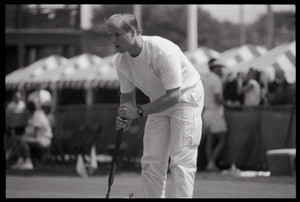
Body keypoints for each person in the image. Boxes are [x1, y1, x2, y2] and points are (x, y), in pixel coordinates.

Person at [106, 13, 204, 198]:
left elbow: (174, 96)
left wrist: (139, 111)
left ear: (133, 31)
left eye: (117, 34)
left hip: (186, 98)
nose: (113, 40)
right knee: (151, 161)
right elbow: (127, 97)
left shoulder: (162, 50)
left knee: (181, 161)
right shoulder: (120, 61)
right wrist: (126, 118)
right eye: (110, 35)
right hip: (158, 102)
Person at [9, 101, 53, 170]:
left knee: (23, 141)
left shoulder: (38, 115)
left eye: (25, 109)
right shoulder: (31, 116)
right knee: (16, 139)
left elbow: (34, 133)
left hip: (44, 140)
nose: (24, 111)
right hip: (37, 138)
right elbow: (28, 132)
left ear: (28, 109)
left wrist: (23, 137)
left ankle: (28, 162)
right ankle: (20, 160)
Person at [202, 61, 228, 172]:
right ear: (215, 68)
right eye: (219, 67)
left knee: (210, 140)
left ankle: (210, 164)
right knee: (223, 139)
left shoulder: (206, 79)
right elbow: (218, 98)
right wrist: (229, 104)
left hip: (206, 113)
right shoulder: (216, 80)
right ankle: (212, 162)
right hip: (215, 113)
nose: (221, 69)